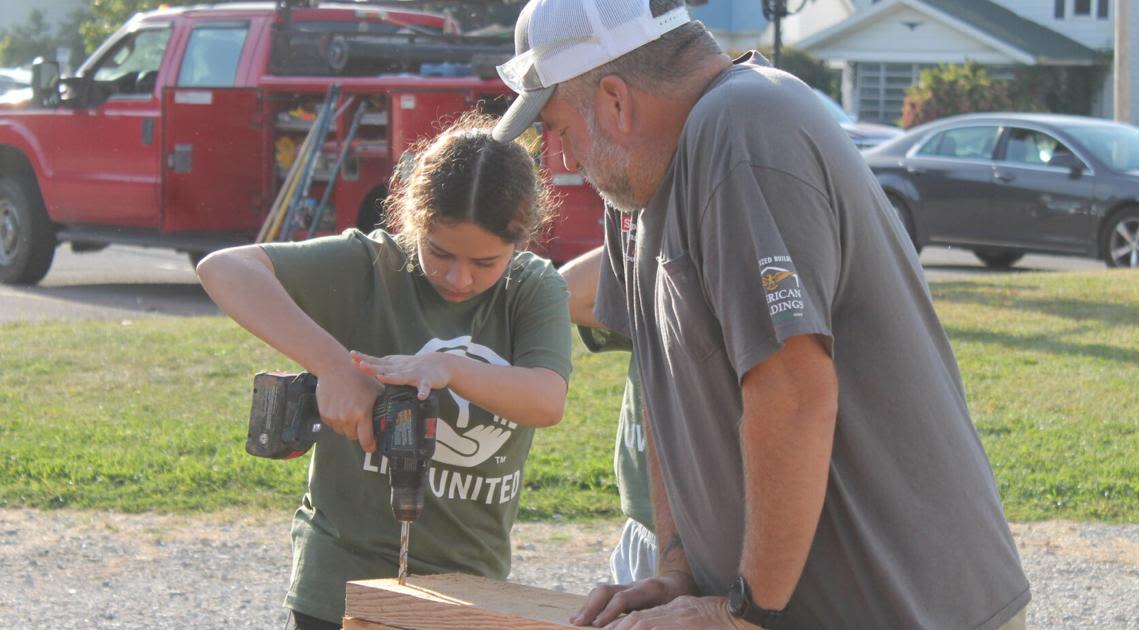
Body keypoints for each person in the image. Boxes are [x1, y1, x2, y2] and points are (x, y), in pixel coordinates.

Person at [492, 1, 1030, 629]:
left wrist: (741, 614)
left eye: (558, 128)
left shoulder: (744, 126)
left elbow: (794, 390)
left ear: (616, 101)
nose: (562, 159)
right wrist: (678, 570)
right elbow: (661, 384)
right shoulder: (638, 187)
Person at [196, 113, 573, 630]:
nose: (459, 277)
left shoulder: (531, 288)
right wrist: (334, 368)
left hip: (467, 584)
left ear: (522, 241)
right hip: (340, 583)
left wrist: (445, 368)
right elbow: (224, 268)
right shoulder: (372, 266)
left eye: (485, 263)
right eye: (440, 253)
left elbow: (546, 400)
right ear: (413, 217)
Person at [560, 247, 657, 585]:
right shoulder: (661, 278)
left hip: (719, 540)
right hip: (647, 527)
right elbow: (568, 292)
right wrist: (657, 227)